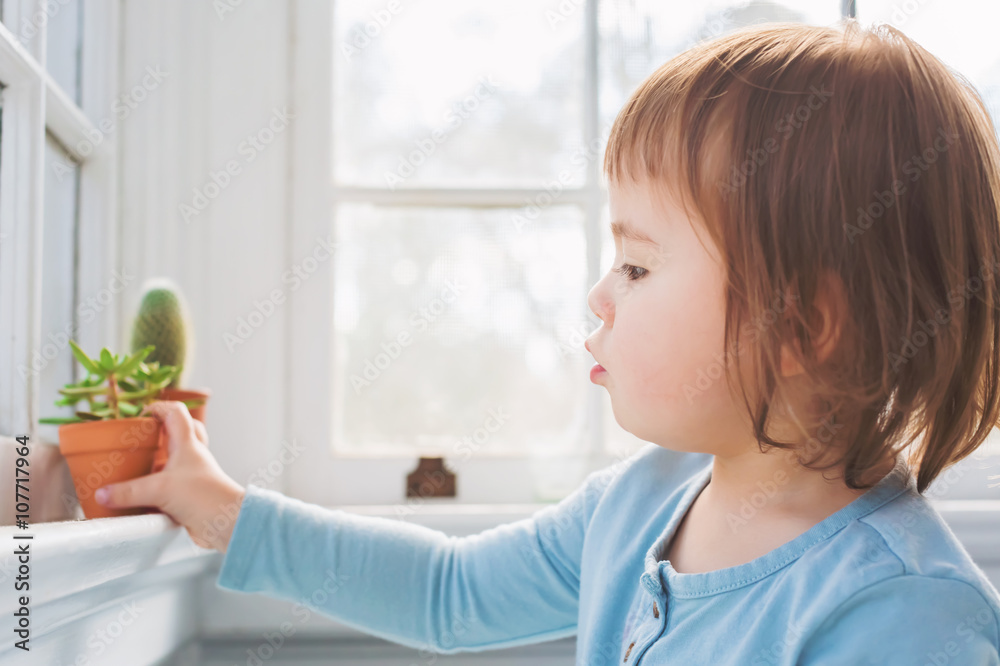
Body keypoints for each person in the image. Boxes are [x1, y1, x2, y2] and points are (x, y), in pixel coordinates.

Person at [94, 19, 1000, 664]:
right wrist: (225, 511)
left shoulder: (903, 616)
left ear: (801, 325)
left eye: (639, 269)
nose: (600, 296)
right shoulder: (643, 502)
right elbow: (446, 593)